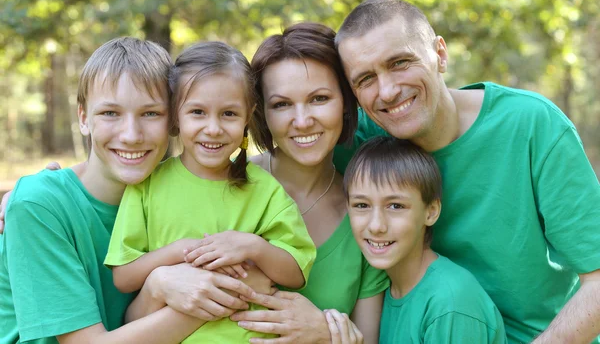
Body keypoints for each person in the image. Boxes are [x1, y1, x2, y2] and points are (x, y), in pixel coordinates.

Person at [333, 0, 600, 344]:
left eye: (400, 62)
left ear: (440, 54)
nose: (387, 91)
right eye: (365, 79)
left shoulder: (532, 126)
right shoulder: (367, 144)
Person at [0, 37, 258, 344]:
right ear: (83, 118)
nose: (132, 135)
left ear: (174, 119)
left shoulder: (192, 196)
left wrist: (155, 289)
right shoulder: (40, 205)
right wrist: (221, 296)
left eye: (150, 114)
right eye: (110, 113)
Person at [104, 41, 316, 343]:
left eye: (228, 114)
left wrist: (253, 246)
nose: (213, 128)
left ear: (247, 118)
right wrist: (179, 252)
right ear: (175, 116)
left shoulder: (264, 189)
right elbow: (124, 277)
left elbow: (296, 272)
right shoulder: (148, 185)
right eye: (198, 112)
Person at [229, 22, 389, 344]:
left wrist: (321, 332)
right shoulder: (225, 182)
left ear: (345, 102)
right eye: (282, 104)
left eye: (319, 98)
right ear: (261, 114)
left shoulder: (367, 215)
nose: (302, 121)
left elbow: (367, 339)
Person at [344, 136, 507, 343]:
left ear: (431, 212)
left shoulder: (449, 305)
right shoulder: (380, 290)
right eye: (361, 205)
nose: (376, 226)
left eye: (395, 206)